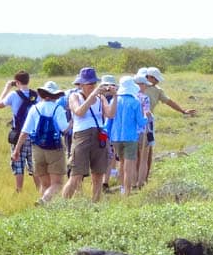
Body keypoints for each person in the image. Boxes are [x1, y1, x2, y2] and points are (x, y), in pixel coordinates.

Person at [61, 67, 117, 202]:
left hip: (99, 135)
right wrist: (92, 97)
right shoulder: (74, 96)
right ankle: (63, 204)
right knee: (76, 175)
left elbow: (110, 114)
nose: (92, 86)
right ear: (80, 84)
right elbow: (79, 112)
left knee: (98, 173)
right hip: (81, 136)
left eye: (93, 83)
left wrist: (115, 96)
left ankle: (95, 203)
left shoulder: (100, 97)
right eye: (88, 83)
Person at [11, 81, 69, 204]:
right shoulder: (58, 108)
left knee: (44, 183)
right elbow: (65, 129)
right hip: (54, 149)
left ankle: (45, 210)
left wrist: (16, 150)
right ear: (55, 95)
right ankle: (43, 200)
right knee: (57, 184)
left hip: (37, 149)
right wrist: (73, 121)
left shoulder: (34, 108)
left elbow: (25, 131)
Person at [137, 66, 196, 184]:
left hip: (148, 122)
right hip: (134, 122)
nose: (157, 82)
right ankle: (135, 179)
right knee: (136, 151)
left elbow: (169, 102)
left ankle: (144, 178)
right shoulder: (137, 87)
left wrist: (182, 111)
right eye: (156, 79)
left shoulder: (157, 90)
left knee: (147, 150)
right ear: (150, 77)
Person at [0, 70, 41, 193]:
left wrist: (6, 88)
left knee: (18, 164)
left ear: (16, 82)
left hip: (18, 135)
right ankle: (40, 191)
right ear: (28, 80)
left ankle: (19, 191)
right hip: (33, 135)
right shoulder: (36, 95)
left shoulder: (13, 95)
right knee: (34, 165)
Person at [105, 76, 146, 196]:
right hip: (130, 137)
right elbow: (140, 122)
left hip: (116, 137)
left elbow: (109, 120)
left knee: (121, 163)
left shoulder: (114, 101)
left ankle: (122, 188)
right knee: (129, 166)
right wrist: (147, 116)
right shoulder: (135, 102)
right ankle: (127, 192)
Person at [133, 73, 154, 188]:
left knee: (133, 158)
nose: (146, 87)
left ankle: (132, 182)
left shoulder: (129, 97)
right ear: (140, 85)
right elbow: (146, 113)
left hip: (130, 132)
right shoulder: (144, 98)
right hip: (142, 130)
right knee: (144, 159)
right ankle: (141, 183)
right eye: (145, 85)